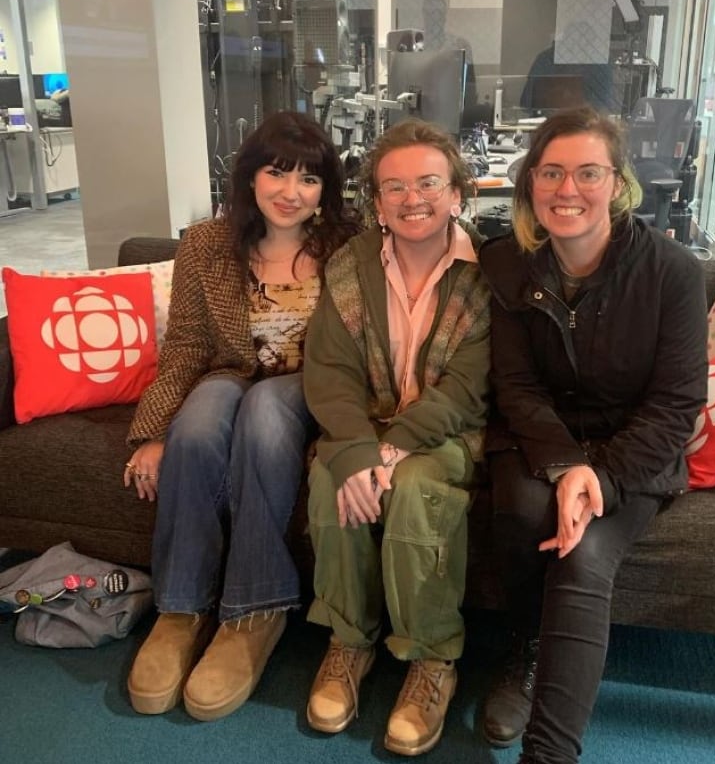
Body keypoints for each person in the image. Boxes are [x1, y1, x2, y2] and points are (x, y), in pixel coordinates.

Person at [478, 106, 708, 763]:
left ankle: (548, 755)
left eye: (586, 172)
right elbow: (517, 389)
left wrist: (600, 477)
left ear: (618, 182)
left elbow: (675, 403)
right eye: (551, 172)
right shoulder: (506, 268)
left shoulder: (673, 273)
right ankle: (525, 645)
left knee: (582, 556)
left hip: (635, 450)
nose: (566, 189)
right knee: (523, 513)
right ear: (530, 184)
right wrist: (564, 466)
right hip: (540, 440)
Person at [123, 110, 359, 722]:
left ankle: (256, 609)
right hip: (230, 375)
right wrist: (153, 434)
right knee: (197, 429)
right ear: (250, 176)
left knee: (262, 409)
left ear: (325, 190)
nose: (290, 191)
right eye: (276, 172)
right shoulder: (207, 243)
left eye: (309, 179)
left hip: (314, 385)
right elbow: (188, 347)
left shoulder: (348, 245)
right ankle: (180, 608)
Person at [303, 119, 491, 756]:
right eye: (395, 186)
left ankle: (432, 655)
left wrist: (392, 449)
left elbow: (468, 387)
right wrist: (359, 453)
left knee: (414, 488)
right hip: (365, 423)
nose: (414, 198)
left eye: (429, 182)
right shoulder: (349, 266)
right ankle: (348, 641)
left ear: (457, 193)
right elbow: (328, 371)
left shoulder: (488, 274)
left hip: (447, 430)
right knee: (332, 480)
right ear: (377, 203)